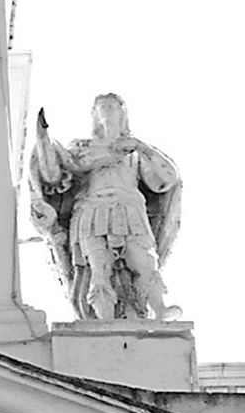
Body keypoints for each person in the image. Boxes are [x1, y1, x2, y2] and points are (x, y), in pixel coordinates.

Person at [29, 94, 182, 321]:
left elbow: (166, 179)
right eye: (103, 107)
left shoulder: (134, 152)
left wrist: (143, 148)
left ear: (123, 114)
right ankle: (103, 319)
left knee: (144, 261)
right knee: (98, 268)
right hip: (91, 210)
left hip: (129, 208)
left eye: (113, 107)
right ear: (95, 115)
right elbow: (56, 173)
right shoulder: (83, 148)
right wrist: (43, 139)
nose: (108, 111)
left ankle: (159, 309)